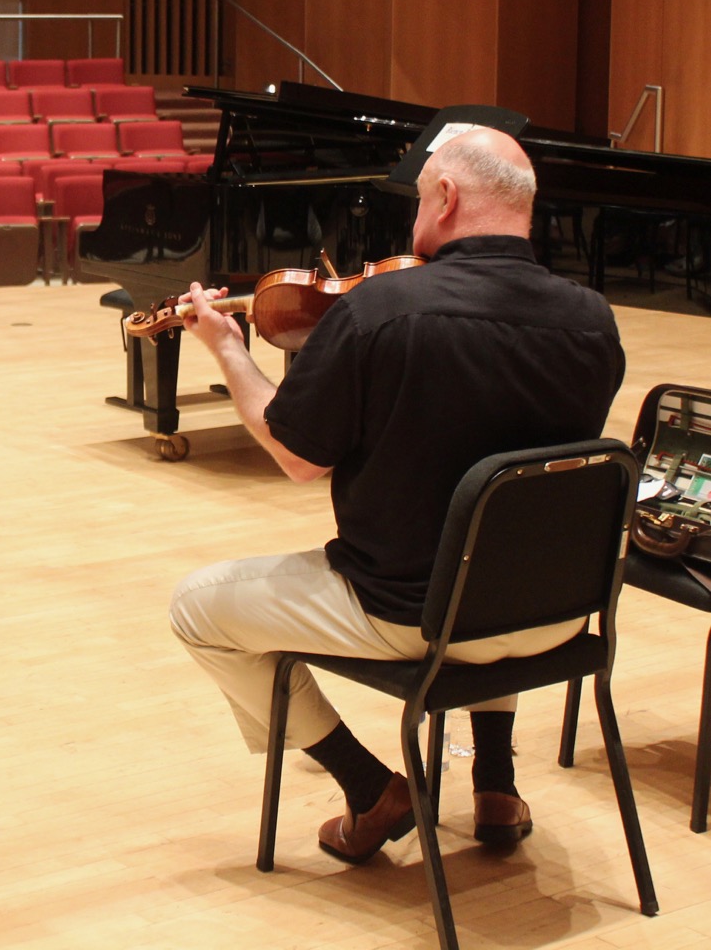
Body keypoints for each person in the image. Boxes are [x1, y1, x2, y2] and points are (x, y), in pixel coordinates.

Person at [169, 127, 624, 865]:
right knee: (495, 548)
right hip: (557, 613)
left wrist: (227, 349)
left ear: (445, 196)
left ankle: (370, 787)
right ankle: (496, 786)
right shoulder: (592, 321)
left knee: (196, 608)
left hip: (411, 616)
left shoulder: (381, 310)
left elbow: (296, 457)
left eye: (416, 199)